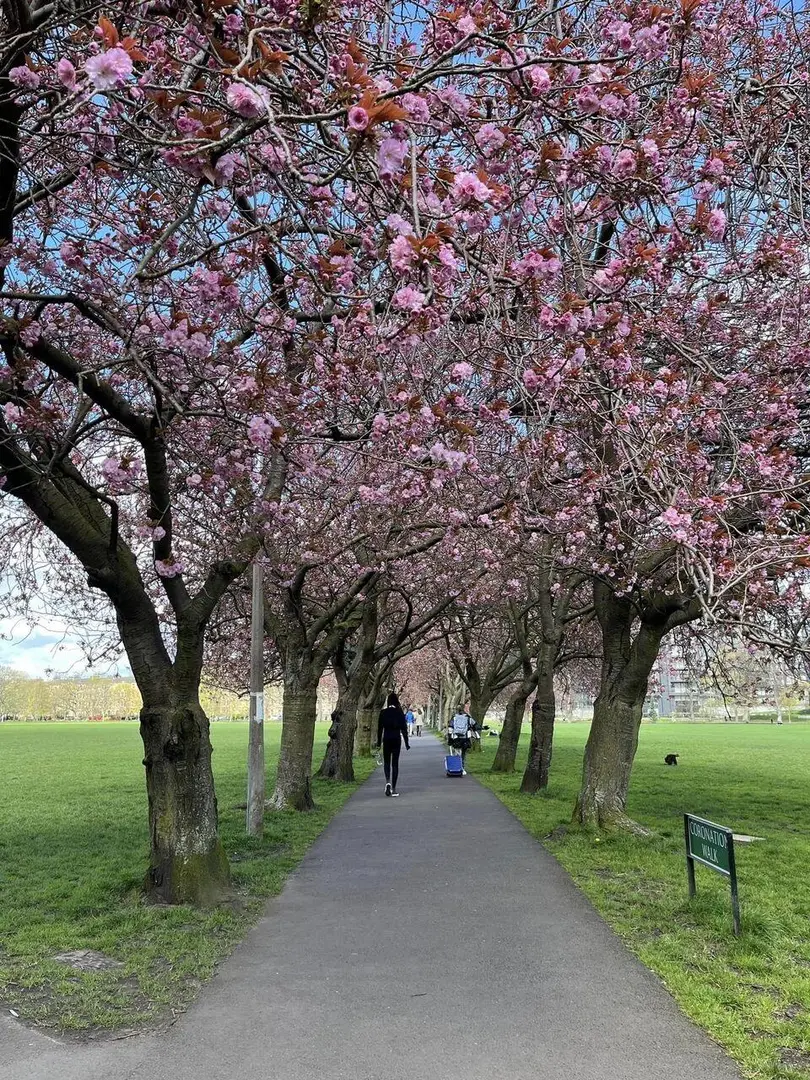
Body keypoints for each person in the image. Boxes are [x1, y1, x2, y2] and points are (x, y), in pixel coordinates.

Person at [377, 692, 410, 797]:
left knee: (387, 762)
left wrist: (378, 742)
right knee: (395, 763)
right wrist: (406, 742)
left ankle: (387, 782)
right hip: (396, 739)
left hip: (386, 738)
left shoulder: (383, 713)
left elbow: (379, 729)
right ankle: (394, 789)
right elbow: (404, 729)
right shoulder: (399, 712)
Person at [448, 705, 473, 774]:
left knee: (457, 753)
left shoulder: (454, 718)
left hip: (456, 738)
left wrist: (449, 738)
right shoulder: (467, 717)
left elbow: (450, 728)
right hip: (465, 738)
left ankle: (457, 767)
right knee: (463, 754)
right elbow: (473, 725)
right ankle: (462, 768)